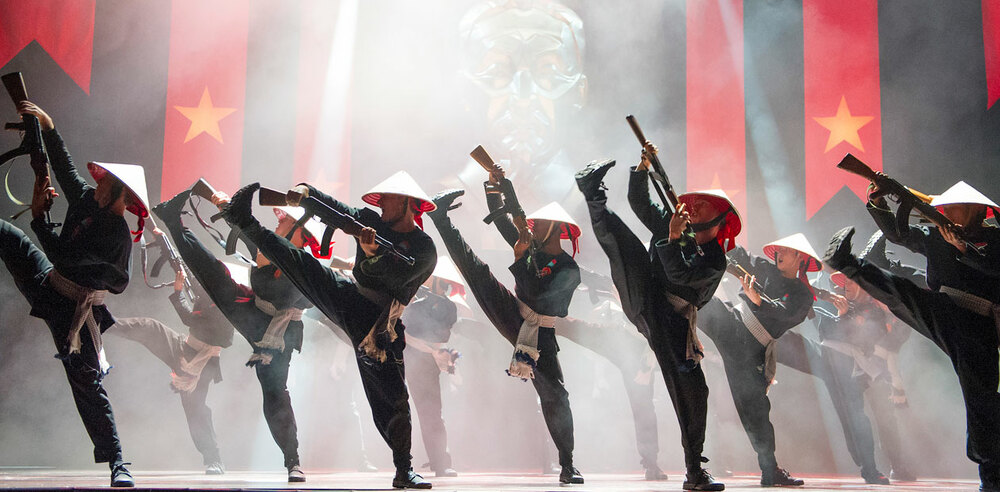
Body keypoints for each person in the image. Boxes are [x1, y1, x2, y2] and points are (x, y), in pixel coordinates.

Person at [217, 171, 437, 490]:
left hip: (378, 326)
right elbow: (338, 211)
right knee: (300, 263)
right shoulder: (370, 221)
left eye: (388, 199)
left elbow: (393, 278)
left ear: (407, 202)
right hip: (350, 297)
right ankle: (244, 221)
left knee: (394, 400)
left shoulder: (425, 248)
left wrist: (371, 253)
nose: (381, 203)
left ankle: (404, 469)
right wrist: (306, 192)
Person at [0, 102, 148, 487]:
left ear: (120, 194)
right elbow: (64, 169)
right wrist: (49, 128)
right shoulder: (88, 199)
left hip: (76, 311)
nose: (96, 184)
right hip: (51, 284)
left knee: (87, 386)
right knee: (5, 234)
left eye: (104, 183)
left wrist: (39, 218)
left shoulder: (116, 236)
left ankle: (117, 462)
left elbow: (64, 256)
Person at [823, 180, 1000, 492]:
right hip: (943, 307)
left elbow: (995, 270)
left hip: (979, 325)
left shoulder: (996, 238)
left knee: (981, 398)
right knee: (902, 294)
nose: (947, 212)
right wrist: (880, 202)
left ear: (976, 210)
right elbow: (899, 234)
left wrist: (963, 249)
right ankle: (848, 264)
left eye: (955, 207)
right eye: (945, 207)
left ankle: (992, 475)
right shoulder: (935, 233)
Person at [574, 155, 737, 491]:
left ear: (720, 219)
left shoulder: (716, 260)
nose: (694, 207)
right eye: (695, 202)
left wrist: (673, 238)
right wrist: (642, 169)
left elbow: (680, 275)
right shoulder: (674, 225)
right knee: (625, 247)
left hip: (672, 323)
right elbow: (640, 203)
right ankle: (593, 193)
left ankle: (694, 470)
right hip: (647, 300)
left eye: (704, 205)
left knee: (694, 392)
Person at [428, 169, 585, 485]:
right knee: (475, 269)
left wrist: (520, 259)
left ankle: (567, 464)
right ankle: (440, 217)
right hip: (514, 314)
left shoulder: (569, 268)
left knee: (556, 395)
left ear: (555, 229)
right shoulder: (531, 247)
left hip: (540, 333)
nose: (532, 227)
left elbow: (543, 299)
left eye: (540, 224)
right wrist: (494, 187)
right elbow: (504, 221)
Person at [152, 192, 317, 483]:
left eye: (283, 223)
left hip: (279, 336)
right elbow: (247, 233)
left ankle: (292, 460)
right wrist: (225, 207)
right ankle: (172, 220)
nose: (276, 225)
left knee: (275, 392)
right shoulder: (270, 247)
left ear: (300, 233)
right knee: (215, 275)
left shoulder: (306, 266)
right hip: (254, 313)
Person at [108, 230, 234, 474]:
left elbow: (190, 319)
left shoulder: (228, 307)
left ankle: (213, 458)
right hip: (185, 346)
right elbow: (187, 272)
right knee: (150, 327)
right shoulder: (208, 287)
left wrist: (178, 293)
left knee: (196, 410)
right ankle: (106, 322)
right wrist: (165, 242)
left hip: (202, 362)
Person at [697, 233, 819, 487]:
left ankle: (770, 469)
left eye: (786, 251)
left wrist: (759, 300)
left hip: (751, 350)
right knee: (696, 296)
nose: (779, 254)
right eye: (779, 250)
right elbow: (738, 253)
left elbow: (786, 315)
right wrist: (714, 233)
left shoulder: (803, 296)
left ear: (800, 257)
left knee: (756, 412)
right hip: (731, 322)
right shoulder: (764, 268)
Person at [401, 256, 466, 478]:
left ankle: (440, 460)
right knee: (411, 411)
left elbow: (441, 335)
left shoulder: (447, 307)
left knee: (432, 412)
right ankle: (416, 462)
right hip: (410, 358)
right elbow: (405, 329)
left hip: (429, 361)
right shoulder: (415, 300)